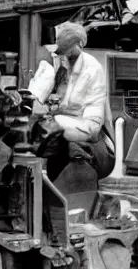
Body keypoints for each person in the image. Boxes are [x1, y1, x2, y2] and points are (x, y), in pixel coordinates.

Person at [36, 22, 115, 183]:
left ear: (80, 44)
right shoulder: (62, 69)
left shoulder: (92, 69)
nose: (64, 57)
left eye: (69, 51)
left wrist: (59, 118)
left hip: (92, 144)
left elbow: (92, 126)